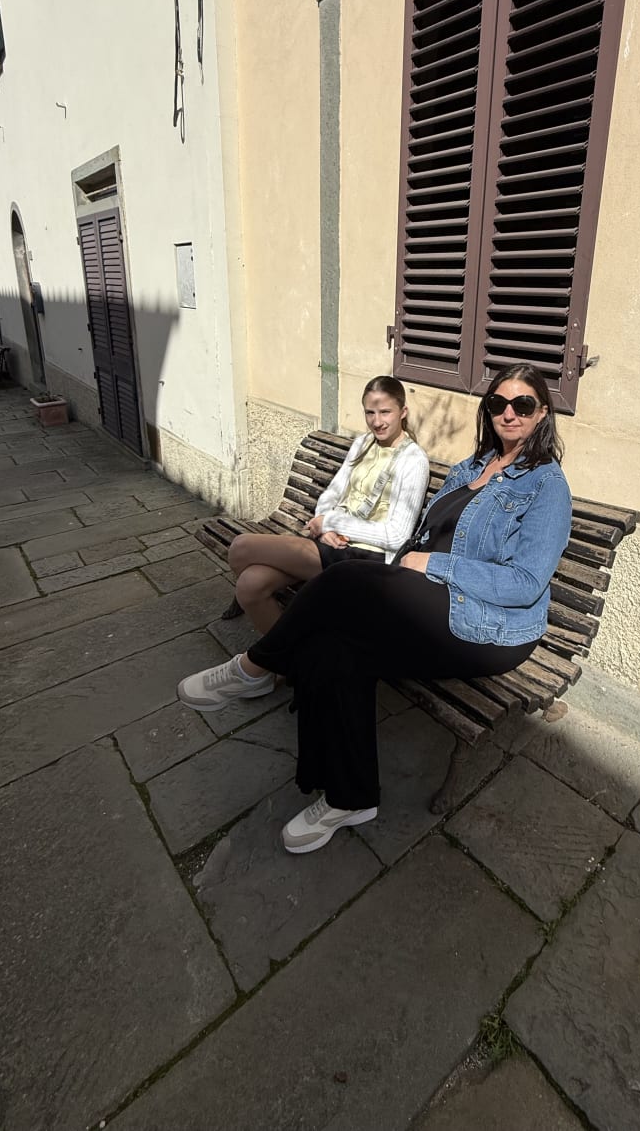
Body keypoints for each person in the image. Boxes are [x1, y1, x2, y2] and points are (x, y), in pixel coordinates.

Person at [177, 362, 572, 854]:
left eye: (523, 405)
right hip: (430, 599)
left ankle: (257, 667)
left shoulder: (546, 486)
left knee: (343, 580)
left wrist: (431, 565)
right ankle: (350, 797)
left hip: (490, 627)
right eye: (498, 403)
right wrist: (406, 553)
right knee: (331, 645)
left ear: (542, 414)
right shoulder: (472, 467)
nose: (508, 414)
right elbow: (423, 531)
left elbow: (525, 582)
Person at [222, 375, 430, 632]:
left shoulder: (413, 460)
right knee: (250, 585)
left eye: (385, 412)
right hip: (335, 543)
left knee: (241, 547)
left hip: (366, 556)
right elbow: (331, 493)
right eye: (370, 413)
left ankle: (294, 651)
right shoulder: (363, 443)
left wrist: (330, 522)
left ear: (402, 412)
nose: (377, 421)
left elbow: (397, 536)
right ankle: (286, 662)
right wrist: (327, 527)